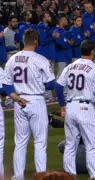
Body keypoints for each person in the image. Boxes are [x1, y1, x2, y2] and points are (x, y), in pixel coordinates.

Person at [3, 29, 55, 180]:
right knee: (40, 142)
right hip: (36, 100)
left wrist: (16, 97)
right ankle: (41, 176)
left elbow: (6, 85)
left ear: (23, 41)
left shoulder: (12, 59)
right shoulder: (41, 59)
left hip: (19, 101)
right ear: (36, 42)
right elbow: (50, 84)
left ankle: (18, 176)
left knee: (20, 141)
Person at [55, 40, 95, 179]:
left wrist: (62, 105)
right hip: (86, 108)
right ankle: (94, 176)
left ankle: (70, 176)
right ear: (93, 52)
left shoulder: (70, 66)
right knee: (91, 146)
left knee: (70, 146)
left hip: (70, 107)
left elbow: (58, 87)